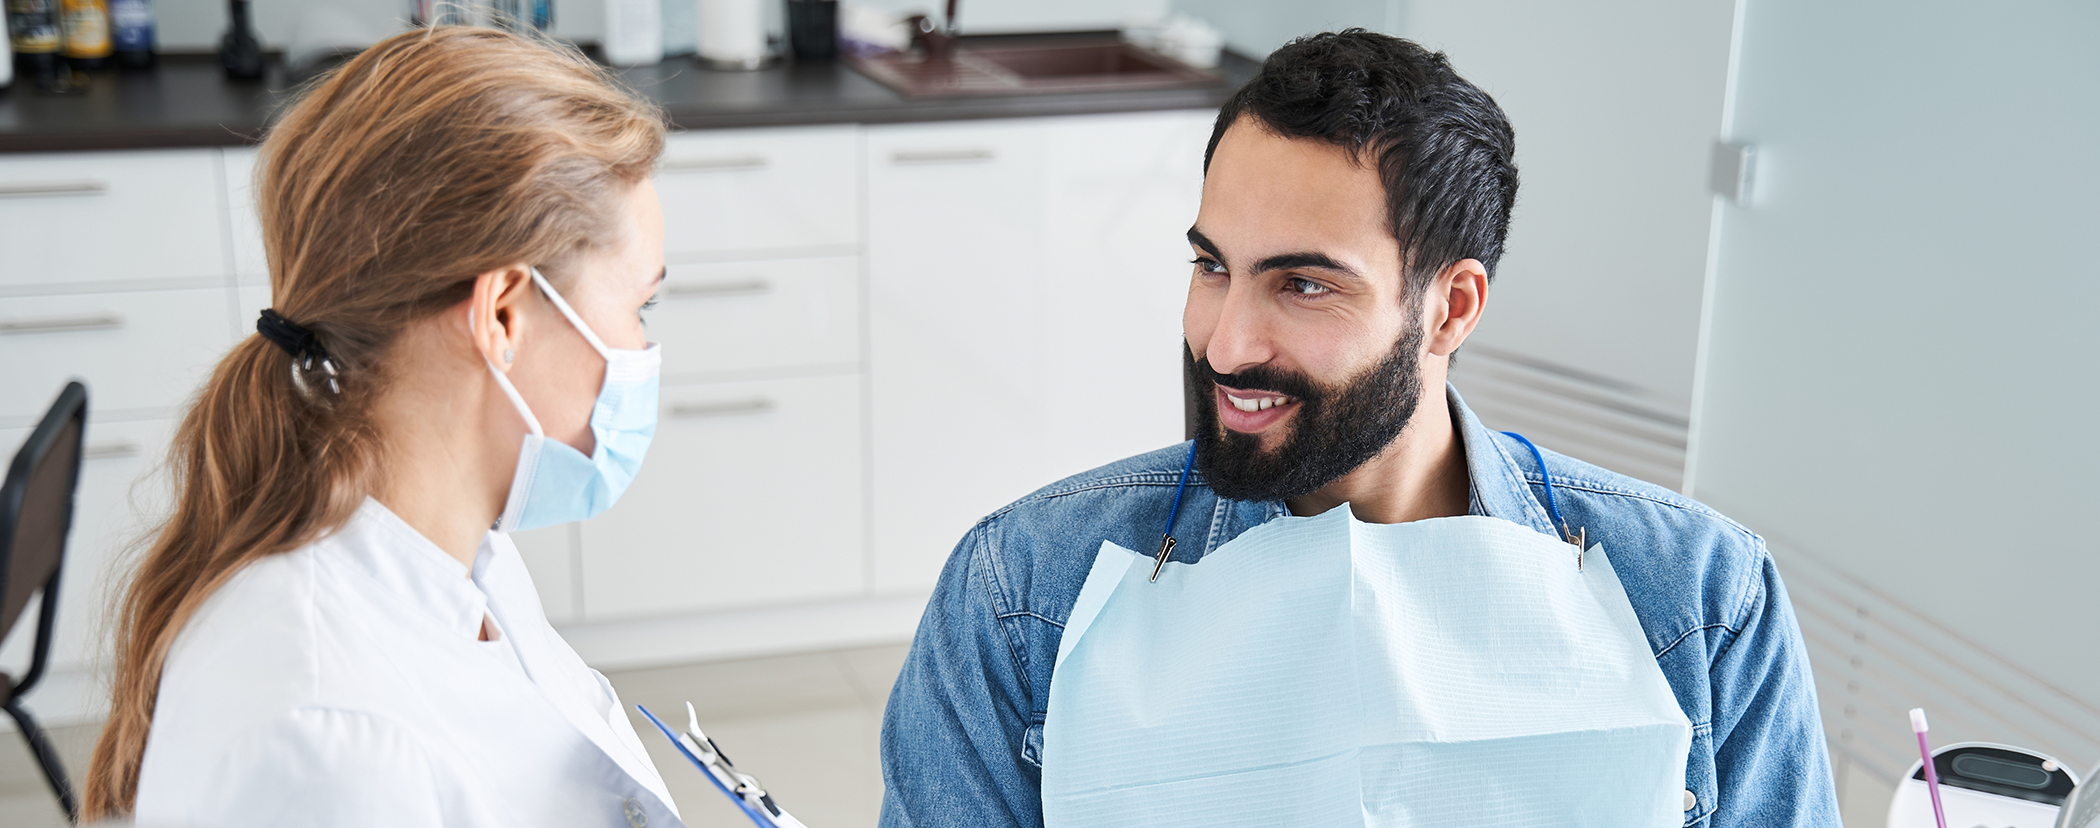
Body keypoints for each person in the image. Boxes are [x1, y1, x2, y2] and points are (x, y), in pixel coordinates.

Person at [878, 30, 1840, 828]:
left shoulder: (1702, 603)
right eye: (1214, 267)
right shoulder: (1021, 593)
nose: (1224, 343)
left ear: (1451, 309)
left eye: (1304, 284)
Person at [81, 27, 683, 826]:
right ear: (502, 313)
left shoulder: (461, 555)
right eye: (639, 307)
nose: (642, 349)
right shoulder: (326, 740)